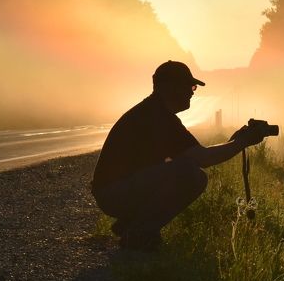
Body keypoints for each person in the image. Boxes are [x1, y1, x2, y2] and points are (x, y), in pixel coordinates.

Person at [91, 60, 266, 251]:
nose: (192, 92)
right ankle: (139, 233)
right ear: (170, 88)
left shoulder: (154, 111)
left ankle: (132, 224)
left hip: (114, 190)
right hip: (114, 192)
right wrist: (242, 142)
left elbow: (194, 154)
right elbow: (203, 158)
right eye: (189, 86)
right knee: (190, 175)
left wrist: (235, 141)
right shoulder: (158, 117)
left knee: (185, 168)